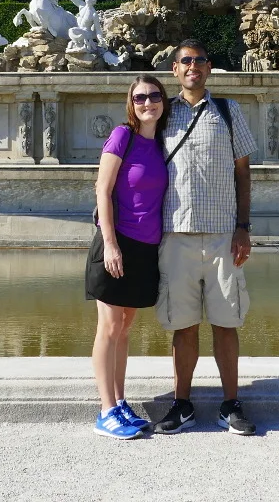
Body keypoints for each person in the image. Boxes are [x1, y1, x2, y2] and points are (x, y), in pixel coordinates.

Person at [152, 39, 261, 436]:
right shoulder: (161, 114)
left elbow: (243, 173)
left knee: (226, 321)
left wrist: (243, 228)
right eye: (185, 61)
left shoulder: (228, 112)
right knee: (183, 325)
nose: (192, 66)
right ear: (175, 70)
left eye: (199, 60)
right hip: (175, 234)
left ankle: (230, 403)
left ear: (209, 67)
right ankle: (182, 404)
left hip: (221, 235)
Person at [87, 75, 170, 439]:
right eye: (139, 98)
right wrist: (110, 244)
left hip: (146, 248)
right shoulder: (123, 135)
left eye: (154, 96)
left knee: (125, 328)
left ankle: (120, 403)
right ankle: (105, 410)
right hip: (117, 242)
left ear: (163, 101)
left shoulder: (163, 144)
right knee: (108, 327)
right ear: (130, 103)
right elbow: (102, 191)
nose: (147, 102)